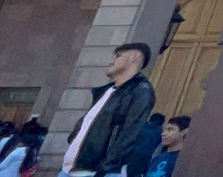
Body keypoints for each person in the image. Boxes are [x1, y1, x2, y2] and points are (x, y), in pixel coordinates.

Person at [58, 43, 157, 177]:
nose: (111, 61)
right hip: (70, 170)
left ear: (134, 57)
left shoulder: (141, 90)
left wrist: (106, 168)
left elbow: (130, 134)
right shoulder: (106, 91)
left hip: (96, 172)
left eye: (118, 56)